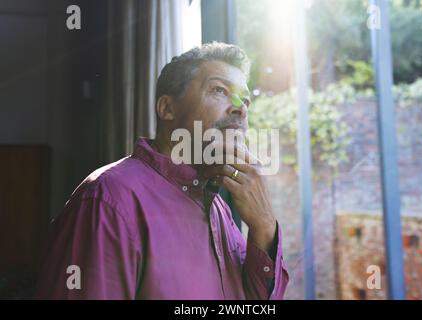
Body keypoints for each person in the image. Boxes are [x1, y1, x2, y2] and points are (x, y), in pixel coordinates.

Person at [35, 42, 289, 299]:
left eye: (245, 100)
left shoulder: (218, 207)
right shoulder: (107, 199)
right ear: (167, 108)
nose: (241, 108)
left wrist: (264, 225)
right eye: (220, 90)